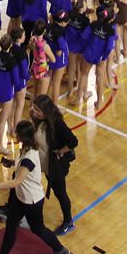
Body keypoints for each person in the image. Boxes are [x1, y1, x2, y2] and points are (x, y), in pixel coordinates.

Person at [0, 119, 71, 254]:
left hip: (31, 201)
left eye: (16, 132)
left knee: (38, 229)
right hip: (21, 197)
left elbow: (16, 181)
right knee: (11, 225)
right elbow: (21, 167)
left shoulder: (29, 156)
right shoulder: (27, 148)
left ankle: (61, 250)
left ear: (21, 137)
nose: (14, 134)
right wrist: (11, 163)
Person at [32, 94, 78, 235]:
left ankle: (68, 221)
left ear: (46, 112)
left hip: (55, 165)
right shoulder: (41, 119)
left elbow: (73, 141)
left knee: (60, 193)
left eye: (37, 110)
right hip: (42, 160)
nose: (34, 112)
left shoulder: (57, 123)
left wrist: (60, 152)